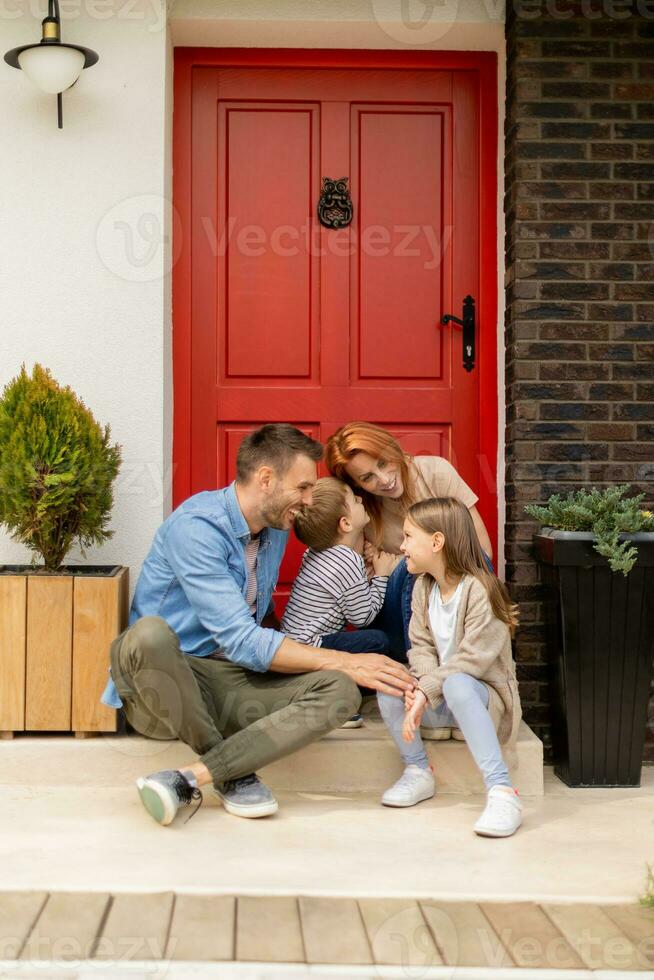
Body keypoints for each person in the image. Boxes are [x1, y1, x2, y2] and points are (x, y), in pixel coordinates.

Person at [101, 424, 413, 827]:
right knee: (148, 636)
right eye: (302, 488)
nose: (307, 500)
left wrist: (323, 668)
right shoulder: (197, 528)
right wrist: (345, 659)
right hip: (164, 686)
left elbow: (260, 624)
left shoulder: (275, 528)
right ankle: (234, 775)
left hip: (226, 683)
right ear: (266, 479)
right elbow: (241, 639)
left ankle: (191, 777)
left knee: (338, 691)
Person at [377, 497, 523, 838]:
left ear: (437, 541)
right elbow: (421, 646)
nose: (402, 546)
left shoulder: (482, 590)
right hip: (443, 700)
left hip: (482, 702)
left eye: (409, 537)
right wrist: (420, 687)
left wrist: (427, 690)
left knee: (458, 682)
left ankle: (502, 791)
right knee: (388, 680)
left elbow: (472, 660)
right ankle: (417, 771)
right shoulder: (422, 588)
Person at [325, 422, 494, 656]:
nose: (384, 480)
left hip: (452, 599)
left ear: (391, 449)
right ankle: (418, 663)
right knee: (410, 566)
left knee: (461, 562)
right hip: (397, 616)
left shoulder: (436, 473)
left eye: (383, 463)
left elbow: (481, 551)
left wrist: (408, 561)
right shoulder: (362, 512)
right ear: (356, 484)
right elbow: (366, 581)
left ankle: (468, 654)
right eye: (367, 477)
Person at [281, 477, 397, 727]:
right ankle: (330, 695)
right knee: (378, 641)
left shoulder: (317, 551)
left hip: (294, 645)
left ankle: (332, 685)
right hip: (314, 645)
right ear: (345, 524)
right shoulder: (346, 559)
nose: (360, 499)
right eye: (355, 501)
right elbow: (362, 616)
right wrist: (382, 575)